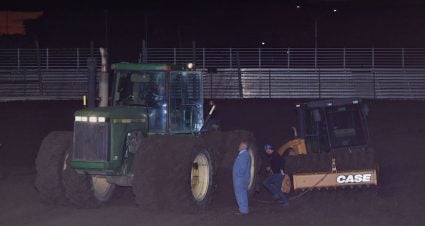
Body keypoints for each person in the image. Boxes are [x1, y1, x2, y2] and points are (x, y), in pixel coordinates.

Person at [232, 141, 252, 215]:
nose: (238, 146)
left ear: (243, 146)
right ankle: (243, 209)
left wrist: (238, 175)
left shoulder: (245, 155)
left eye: (240, 145)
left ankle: (243, 210)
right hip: (240, 178)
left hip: (240, 178)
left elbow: (243, 168)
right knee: (240, 193)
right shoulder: (243, 155)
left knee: (241, 193)